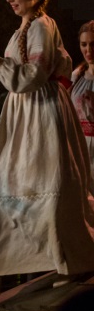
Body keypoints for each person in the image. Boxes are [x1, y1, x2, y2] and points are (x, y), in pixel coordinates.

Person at [0, 0, 94, 306]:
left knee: (48, 186)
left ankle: (68, 261)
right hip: (24, 113)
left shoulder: (43, 25)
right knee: (3, 186)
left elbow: (32, 76)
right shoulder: (25, 27)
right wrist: (1, 63)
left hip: (41, 112)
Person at [71, 21, 94, 188]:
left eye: (93, 44)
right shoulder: (76, 75)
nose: (89, 50)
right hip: (80, 146)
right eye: (84, 44)